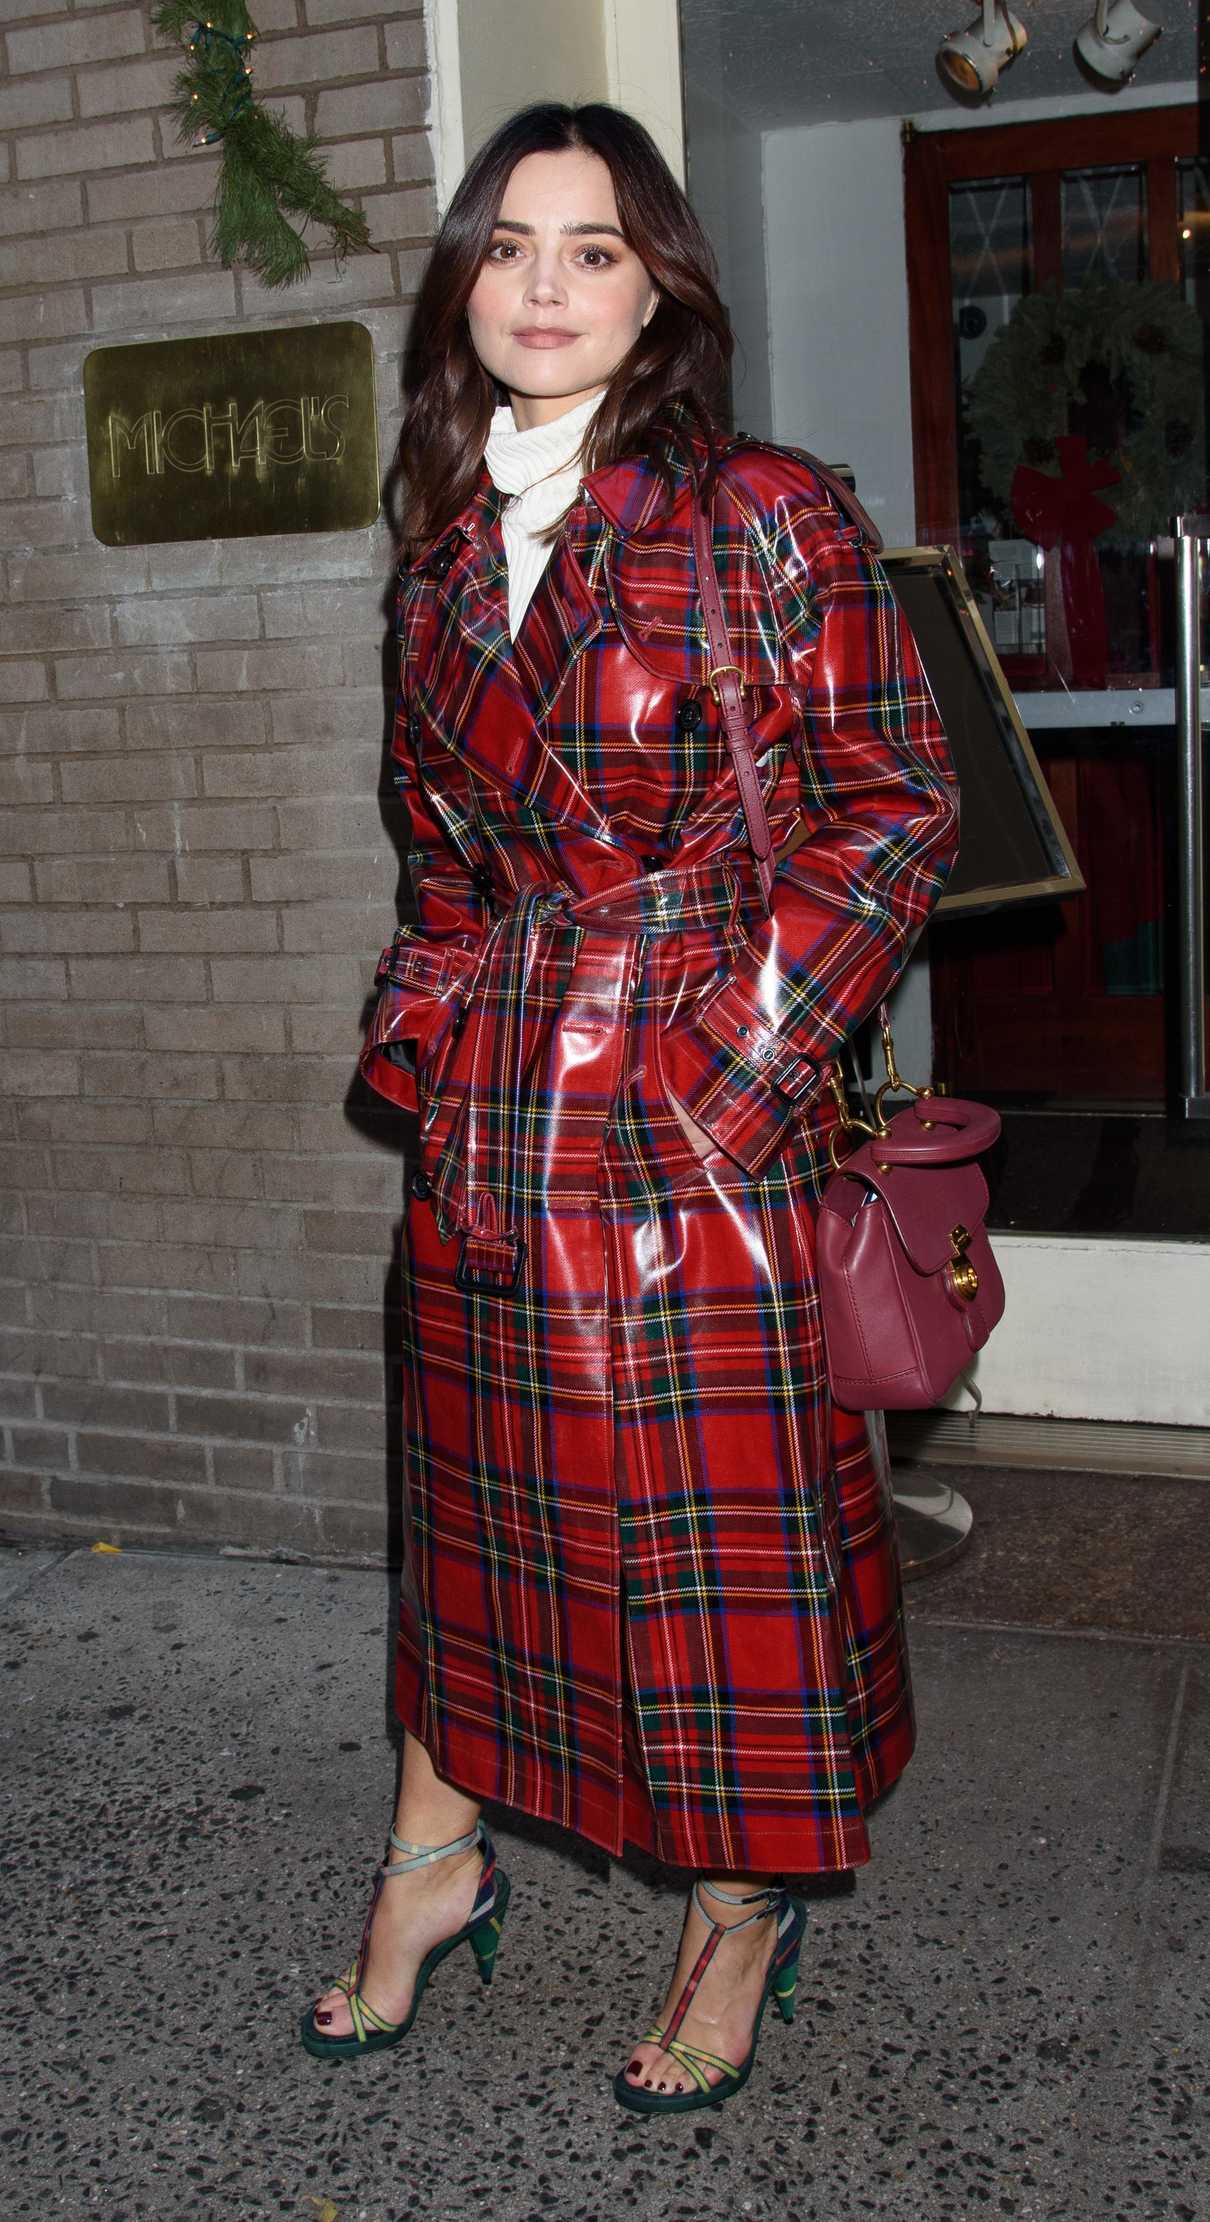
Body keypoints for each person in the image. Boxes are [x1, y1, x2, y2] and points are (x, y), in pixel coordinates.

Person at [300, 100, 959, 2115]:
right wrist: (421, 1052)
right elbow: (444, 860)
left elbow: (887, 806)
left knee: (710, 1557)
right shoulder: (436, 556)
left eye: (591, 249)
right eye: (504, 247)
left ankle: (741, 1905)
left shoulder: (755, 510)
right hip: (498, 1130)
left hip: (691, 1132)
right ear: (459, 285)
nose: (542, 288)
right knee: (481, 1539)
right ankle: (431, 1862)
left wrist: (725, 1080)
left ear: (658, 284)